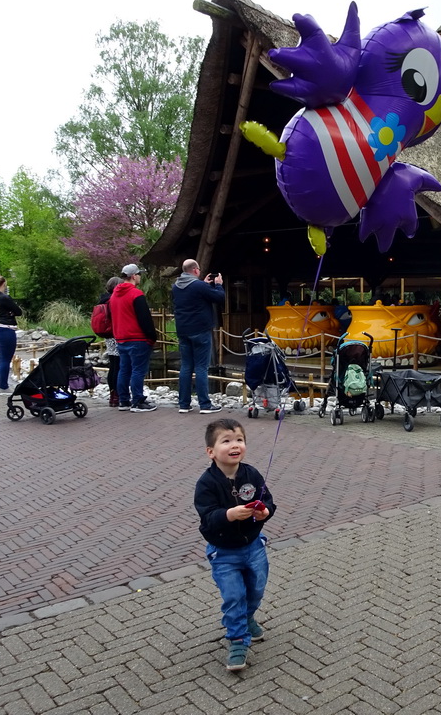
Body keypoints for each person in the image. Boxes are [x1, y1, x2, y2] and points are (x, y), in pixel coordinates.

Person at [194, 418, 275, 671]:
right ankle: (238, 639)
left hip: (253, 547)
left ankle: (247, 616)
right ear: (211, 452)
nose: (234, 445)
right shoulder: (206, 483)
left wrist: (265, 512)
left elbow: (268, 500)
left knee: (256, 590)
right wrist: (229, 514)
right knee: (234, 597)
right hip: (224, 552)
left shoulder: (251, 474)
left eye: (239, 440)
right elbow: (207, 519)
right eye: (226, 441)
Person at [172, 259, 225, 415]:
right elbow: (219, 298)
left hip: (183, 331)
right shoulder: (199, 286)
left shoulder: (176, 286)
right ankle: (205, 404)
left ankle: (184, 404)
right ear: (195, 270)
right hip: (200, 330)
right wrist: (219, 284)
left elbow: (193, 294)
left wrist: (204, 284)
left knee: (186, 366)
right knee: (201, 367)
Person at [111, 264, 158, 412]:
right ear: (133, 276)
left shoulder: (114, 295)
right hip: (137, 338)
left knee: (124, 370)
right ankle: (137, 400)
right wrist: (152, 336)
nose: (140, 277)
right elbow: (145, 318)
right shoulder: (136, 294)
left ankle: (123, 400)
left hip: (121, 338)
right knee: (138, 370)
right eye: (138, 274)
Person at [0, 275, 22, 394]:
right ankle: (3, 387)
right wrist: (11, 312)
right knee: (5, 359)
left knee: (2, 358)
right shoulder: (4, 297)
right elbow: (18, 311)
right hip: (6, 329)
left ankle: (2, 384)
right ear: (3, 284)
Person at [99, 276, 122, 407]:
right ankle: (118, 395)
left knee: (113, 366)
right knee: (119, 366)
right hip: (116, 334)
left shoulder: (103, 299)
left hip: (108, 335)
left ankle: (113, 395)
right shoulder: (113, 300)